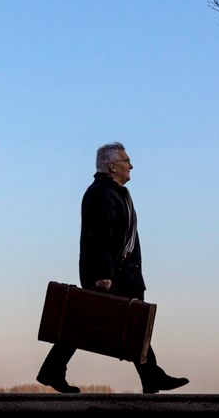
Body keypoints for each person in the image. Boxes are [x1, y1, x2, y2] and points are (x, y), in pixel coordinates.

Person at [37, 142, 189, 394]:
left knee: (91, 323)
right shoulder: (101, 193)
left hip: (121, 272)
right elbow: (100, 236)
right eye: (126, 160)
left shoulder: (115, 193)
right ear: (112, 166)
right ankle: (152, 377)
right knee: (113, 323)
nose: (131, 165)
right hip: (112, 274)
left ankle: (54, 370)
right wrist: (103, 274)